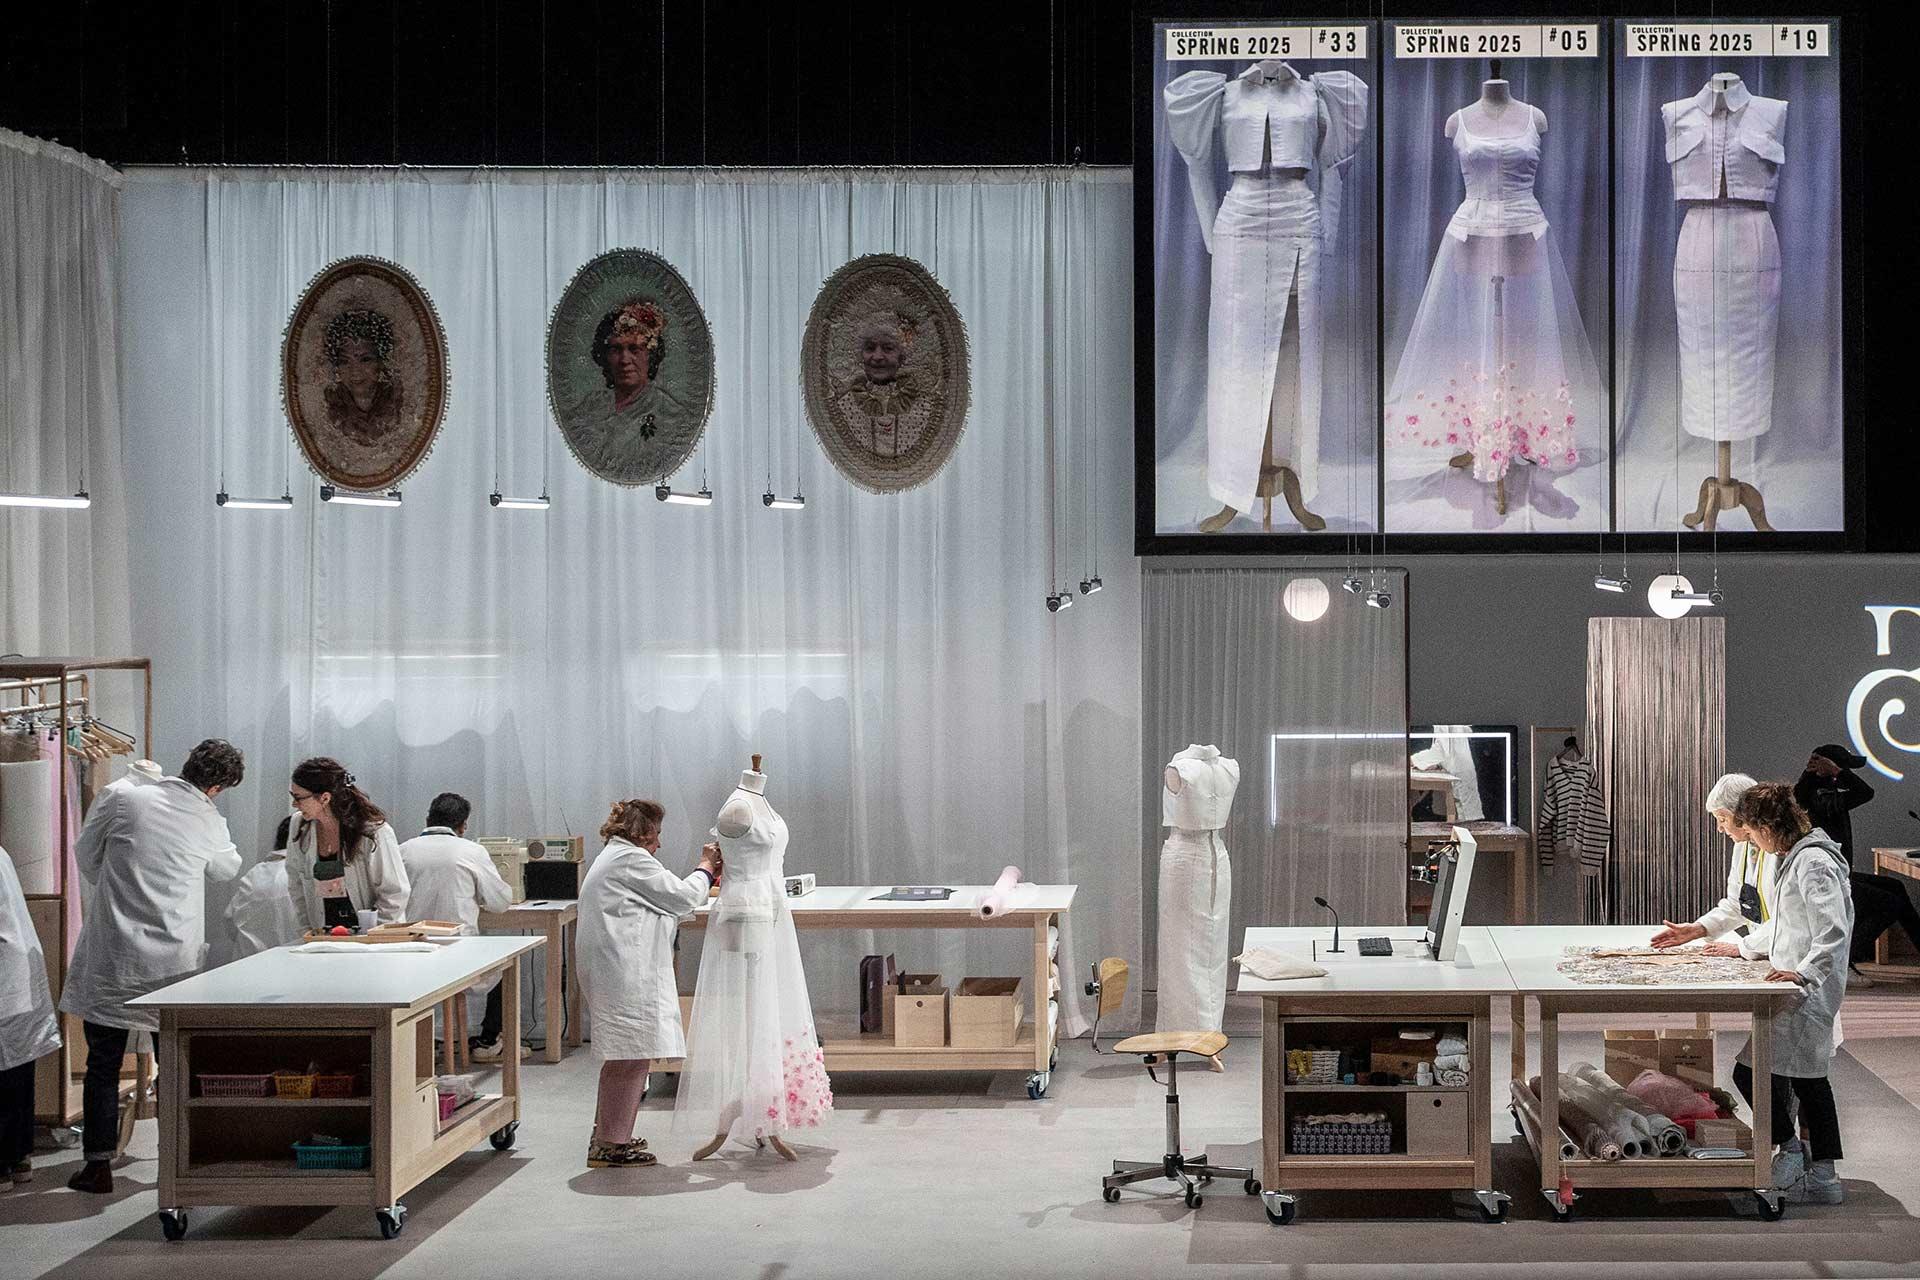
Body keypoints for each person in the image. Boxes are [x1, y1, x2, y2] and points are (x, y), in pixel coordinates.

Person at [59, 739, 245, 1193]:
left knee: (103, 1061)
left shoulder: (122, 796)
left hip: (115, 953)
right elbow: (226, 870)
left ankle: (98, 1165)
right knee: (174, 1063)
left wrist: (125, 879)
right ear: (218, 787)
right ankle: (177, 1161)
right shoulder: (207, 816)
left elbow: (85, 856)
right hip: (173, 963)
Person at [1729, 782, 1854, 1204]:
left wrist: (1804, 975)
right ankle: (1819, 1171)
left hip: (1806, 991)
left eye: (1753, 829)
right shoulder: (1797, 858)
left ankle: (1801, 1159)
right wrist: (1744, 947)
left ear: (1768, 825)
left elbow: (1832, 929)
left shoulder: (1813, 863)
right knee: (1806, 1080)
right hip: (1799, 985)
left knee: (1769, 1074)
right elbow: (1788, 924)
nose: (1753, 839)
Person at [576, 800, 718, 1169]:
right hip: (623, 971)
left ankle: (608, 1135)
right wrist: (706, 867)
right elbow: (683, 896)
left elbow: (663, 901)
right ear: (642, 834)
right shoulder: (630, 860)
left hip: (615, 968)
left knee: (625, 1056)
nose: (659, 845)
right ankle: (610, 1144)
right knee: (630, 1057)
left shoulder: (615, 857)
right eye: (656, 836)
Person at [397, 793, 516, 1060]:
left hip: (412, 952)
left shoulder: (403, 850)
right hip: (459, 953)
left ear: (428, 818)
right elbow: (500, 903)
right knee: (508, 967)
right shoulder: (472, 851)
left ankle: (425, 1039)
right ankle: (487, 1041)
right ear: (463, 825)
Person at [1797, 743, 1920, 980]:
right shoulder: (1819, 798)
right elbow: (1865, 792)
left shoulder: (1821, 794)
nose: (1847, 775)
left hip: (1839, 874)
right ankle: (1842, 959)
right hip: (1830, 879)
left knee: (1895, 886)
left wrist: (1833, 772)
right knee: (1890, 903)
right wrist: (1834, 772)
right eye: (1843, 769)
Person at [1650, 773, 1774, 956]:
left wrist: (1744, 948)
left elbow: (1789, 919)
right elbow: (1738, 904)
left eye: (1723, 819)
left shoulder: (1779, 853)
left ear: (1744, 814)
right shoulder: (1743, 848)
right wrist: (1698, 929)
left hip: (1791, 961)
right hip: (1769, 953)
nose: (1719, 828)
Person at [285, 757, 410, 931]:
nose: (294, 804)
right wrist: (307, 931)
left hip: (373, 938)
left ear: (324, 798)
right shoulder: (299, 825)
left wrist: (371, 934)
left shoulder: (373, 831)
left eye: (298, 797)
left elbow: (395, 892)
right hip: (323, 937)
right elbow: (295, 883)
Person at [565, 299, 688, 474]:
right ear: (605, 357)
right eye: (616, 349)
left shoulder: (670, 413)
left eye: (635, 349)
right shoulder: (590, 407)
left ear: (651, 356)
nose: (624, 360)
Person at [1, 840, 61, 1190]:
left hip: (8, 974)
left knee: (9, 1071)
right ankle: (18, 1156)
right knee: (16, 1070)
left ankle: (4, 1161)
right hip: (16, 971)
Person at [321, 308, 406, 445]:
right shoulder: (327, 406)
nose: (355, 371)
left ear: (381, 362)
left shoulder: (399, 402)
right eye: (344, 361)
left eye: (365, 359)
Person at [225, 816, 304, 958]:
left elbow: (230, 920)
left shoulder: (256, 872)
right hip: (295, 965)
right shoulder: (305, 875)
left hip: (247, 965)